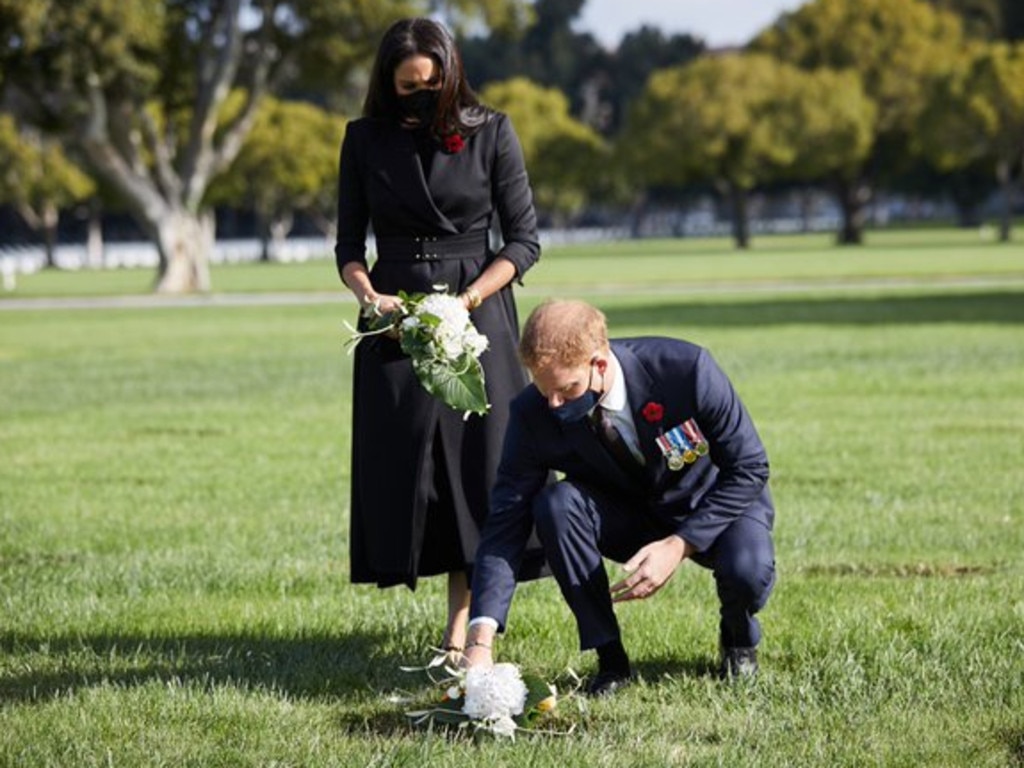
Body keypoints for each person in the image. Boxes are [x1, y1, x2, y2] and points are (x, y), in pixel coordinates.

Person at [334, 18, 545, 655]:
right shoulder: (363, 140)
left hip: (475, 309)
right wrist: (370, 296)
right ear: (387, 84)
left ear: (450, 75)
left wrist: (470, 298)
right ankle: (428, 586)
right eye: (407, 86)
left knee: (474, 469)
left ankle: (465, 625)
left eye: (431, 83)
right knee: (409, 468)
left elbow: (523, 241)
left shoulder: (493, 132)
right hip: (395, 315)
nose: (420, 94)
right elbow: (349, 246)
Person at [463, 300, 777, 695]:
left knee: (748, 572)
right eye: (544, 390)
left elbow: (749, 467)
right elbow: (506, 519)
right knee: (555, 505)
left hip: (712, 502)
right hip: (627, 514)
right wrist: (480, 638)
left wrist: (679, 545)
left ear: (599, 362)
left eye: (565, 389)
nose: (553, 404)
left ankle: (738, 639)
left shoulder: (686, 370)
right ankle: (610, 660)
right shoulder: (533, 413)